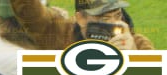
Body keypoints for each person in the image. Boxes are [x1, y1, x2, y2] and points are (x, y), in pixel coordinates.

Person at [10, 0, 153, 51]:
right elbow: (30, 13)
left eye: (117, 15)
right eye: (104, 17)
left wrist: (134, 58)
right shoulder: (60, 33)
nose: (113, 23)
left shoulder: (137, 43)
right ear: (81, 18)